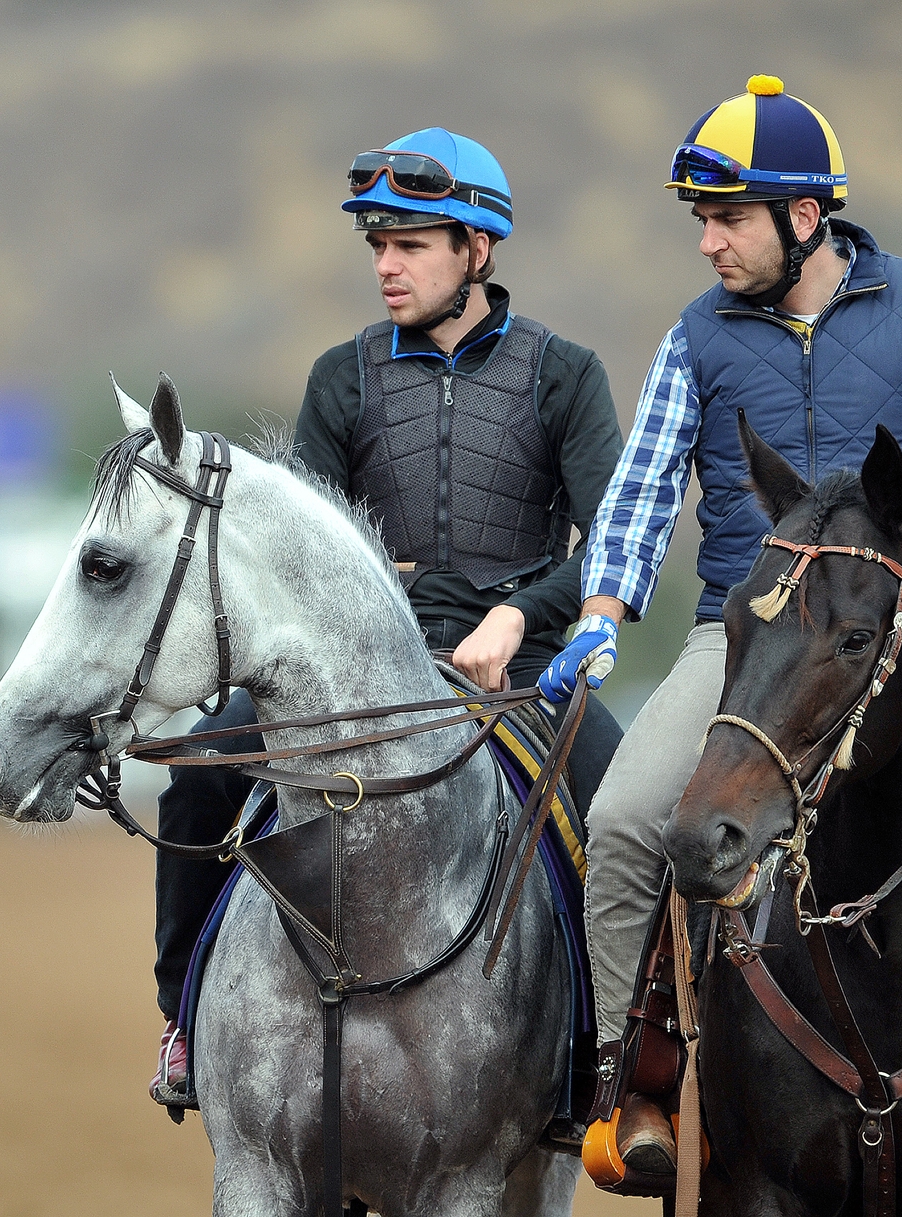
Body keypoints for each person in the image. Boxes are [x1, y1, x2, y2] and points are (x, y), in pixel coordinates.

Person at [540, 76, 902, 1169]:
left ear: (803, 218)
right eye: (701, 222)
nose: (709, 244)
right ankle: (637, 1079)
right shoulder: (696, 337)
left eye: (726, 220)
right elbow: (637, 494)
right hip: (749, 641)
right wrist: (598, 609)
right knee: (629, 819)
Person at [149, 127, 627, 1110]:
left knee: (625, 812)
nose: (386, 264)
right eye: (377, 244)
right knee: (195, 783)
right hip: (359, 665)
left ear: (477, 251)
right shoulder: (343, 374)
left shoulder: (565, 373)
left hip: (524, 666)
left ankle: (593, 1056)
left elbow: (609, 542)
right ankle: (183, 1023)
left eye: (409, 243)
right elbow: (306, 551)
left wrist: (516, 613)